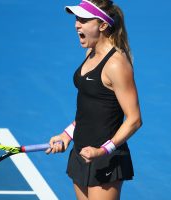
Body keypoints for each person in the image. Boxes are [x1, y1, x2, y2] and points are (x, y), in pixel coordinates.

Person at [46, 0, 142, 199]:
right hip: (81, 152)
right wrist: (66, 135)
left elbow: (134, 120)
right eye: (76, 19)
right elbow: (90, 110)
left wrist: (103, 151)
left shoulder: (116, 64)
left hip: (105, 157)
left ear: (103, 25)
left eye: (83, 19)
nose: (76, 24)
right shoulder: (90, 53)